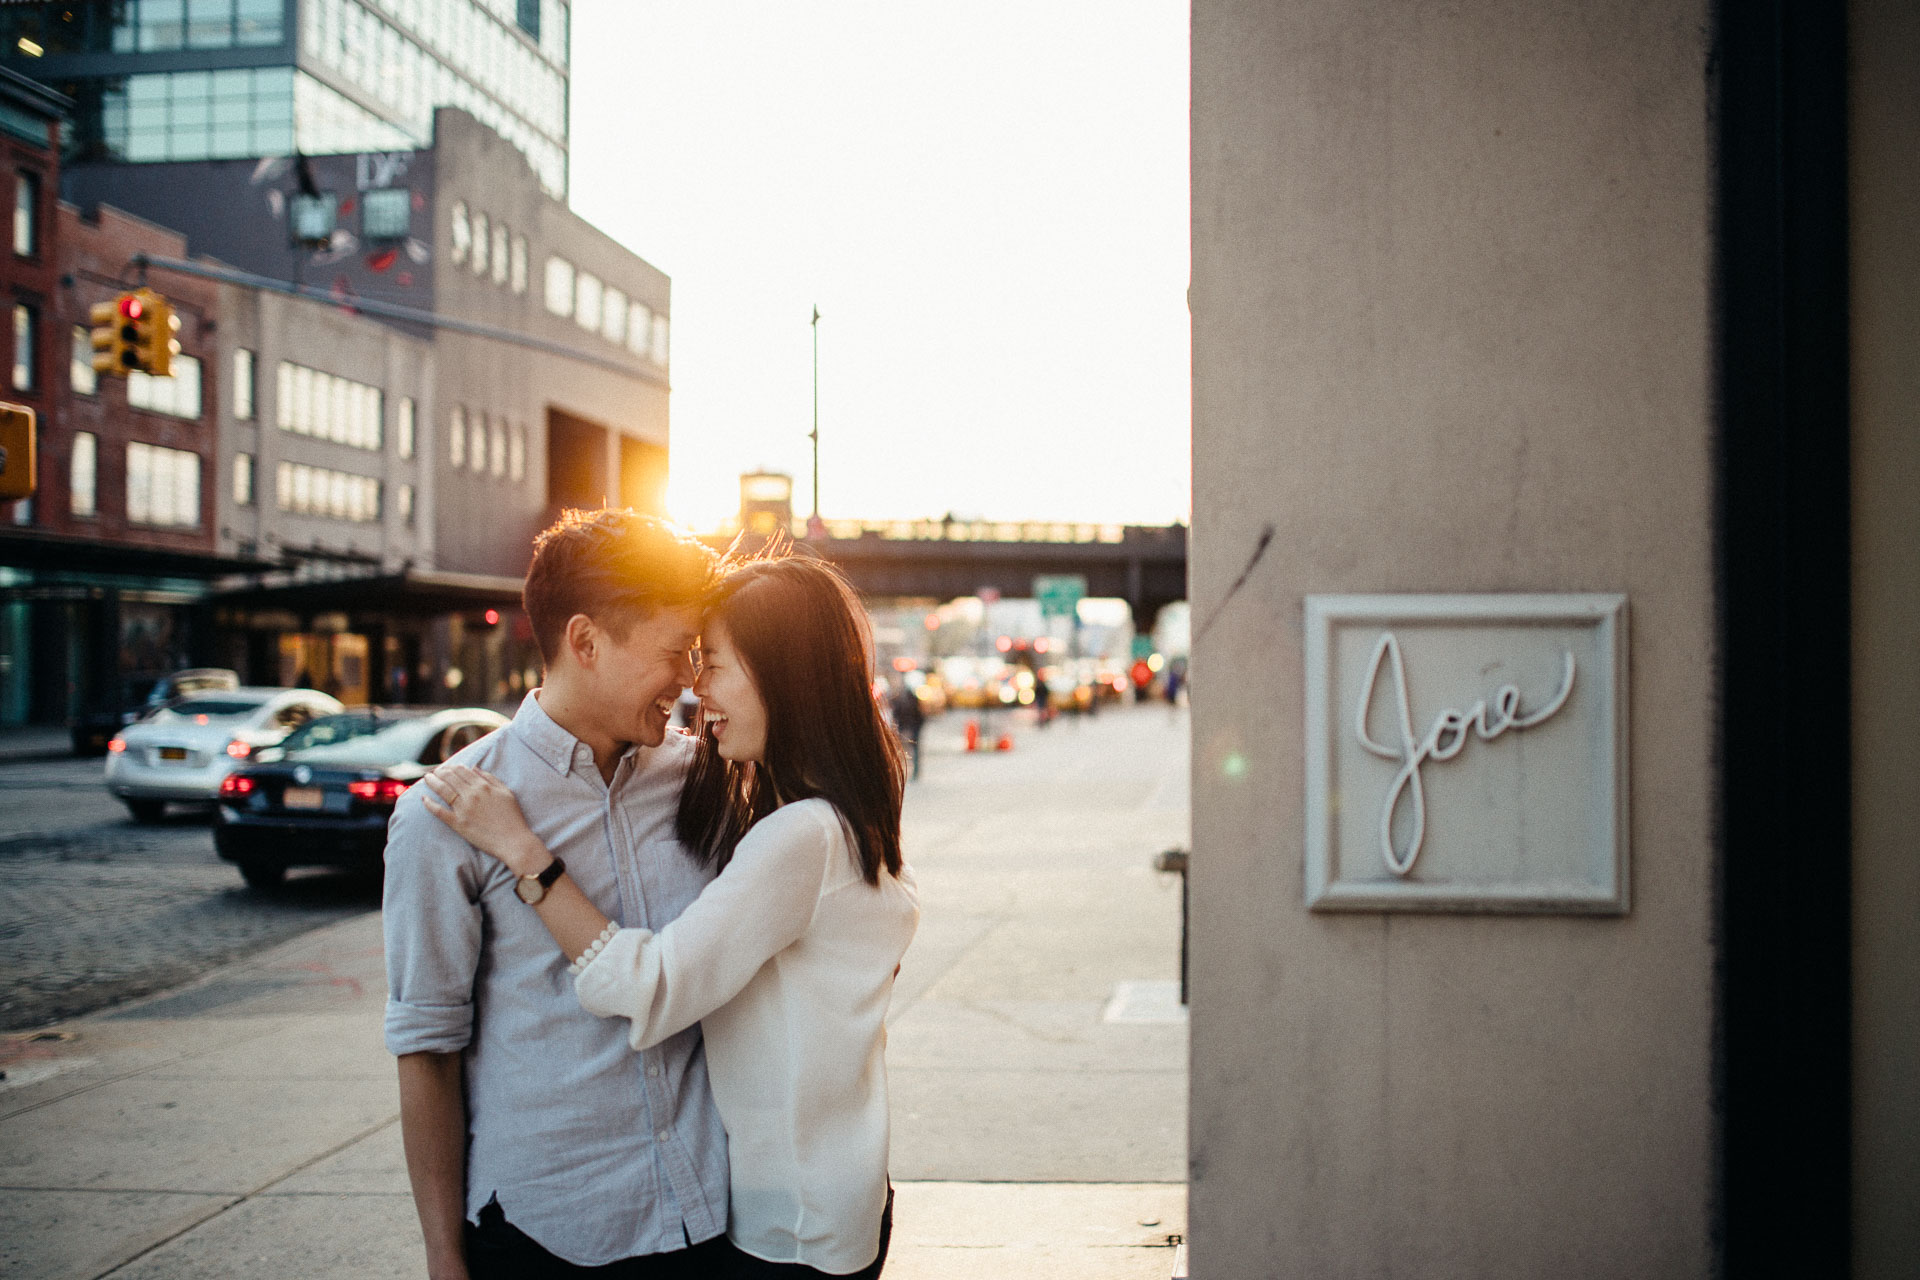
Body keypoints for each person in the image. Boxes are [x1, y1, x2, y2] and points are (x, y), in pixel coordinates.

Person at [422, 553, 919, 1279]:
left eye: (711, 663)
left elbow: (647, 988)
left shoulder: (800, 836)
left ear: (781, 675)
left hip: (791, 1224)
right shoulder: (844, 818)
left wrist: (527, 855)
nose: (695, 687)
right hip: (837, 1199)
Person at [383, 509, 731, 1280]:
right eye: (674, 652)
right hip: (545, 1234)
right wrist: (444, 1258)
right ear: (585, 642)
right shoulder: (445, 815)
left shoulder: (705, 778)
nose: (688, 679)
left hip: (710, 1218)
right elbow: (428, 1049)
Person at [889, 679, 925, 779]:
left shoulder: (900, 701)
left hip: (905, 728)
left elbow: (896, 715)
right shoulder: (914, 701)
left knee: (903, 750)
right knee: (914, 750)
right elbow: (920, 716)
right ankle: (914, 771)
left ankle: (904, 771)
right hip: (912, 728)